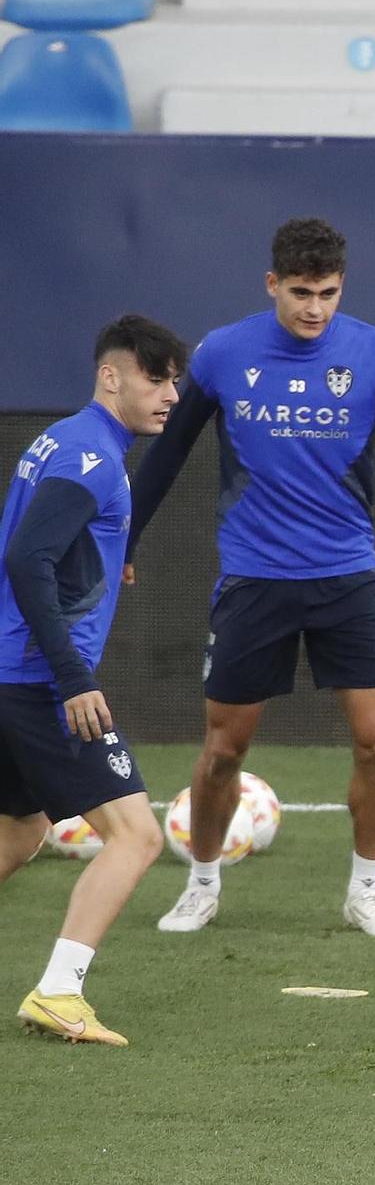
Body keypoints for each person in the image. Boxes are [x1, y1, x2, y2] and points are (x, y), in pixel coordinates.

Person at [130, 218, 375, 940]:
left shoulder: (373, 352)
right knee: (223, 751)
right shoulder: (222, 353)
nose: (315, 309)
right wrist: (125, 540)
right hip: (254, 577)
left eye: (329, 294)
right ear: (272, 284)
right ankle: (202, 882)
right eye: (301, 292)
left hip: (348, 576)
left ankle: (366, 891)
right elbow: (165, 457)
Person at [1, 316, 182, 1045]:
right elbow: (26, 557)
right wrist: (74, 677)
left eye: (175, 380)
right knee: (137, 836)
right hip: (42, 682)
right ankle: (59, 991)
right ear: (112, 375)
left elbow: (48, 548)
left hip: (12, 670)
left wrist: (107, 565)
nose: (170, 393)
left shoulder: (69, 438)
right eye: (156, 378)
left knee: (17, 834)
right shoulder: (93, 456)